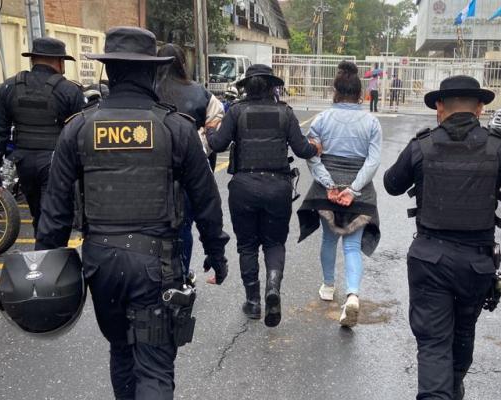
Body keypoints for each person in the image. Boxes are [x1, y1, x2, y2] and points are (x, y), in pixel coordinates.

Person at [34, 27, 230, 400]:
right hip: (156, 267)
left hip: (100, 264)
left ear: (109, 72)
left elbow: (55, 209)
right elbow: (206, 200)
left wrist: (43, 269)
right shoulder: (176, 128)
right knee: (154, 367)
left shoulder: (77, 128)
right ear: (152, 73)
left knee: (121, 351)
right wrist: (216, 254)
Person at [383, 75, 501, 400]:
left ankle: (443, 392)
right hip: (476, 264)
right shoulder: (500, 147)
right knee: (463, 333)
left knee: (434, 343)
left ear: (439, 107)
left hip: (428, 260)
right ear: (480, 108)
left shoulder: (421, 145)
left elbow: (391, 184)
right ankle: (453, 387)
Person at [207, 64, 320, 328]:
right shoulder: (285, 113)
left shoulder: (235, 112)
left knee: (247, 245)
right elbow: (303, 149)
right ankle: (273, 287)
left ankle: (254, 302)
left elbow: (218, 144)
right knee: (274, 243)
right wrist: (316, 147)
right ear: (272, 87)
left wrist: (211, 129)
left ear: (246, 86)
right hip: (277, 187)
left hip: (244, 186)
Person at [297, 61, 382, 327]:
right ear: (361, 94)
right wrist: (354, 188)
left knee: (328, 239)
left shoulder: (322, 119)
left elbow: (312, 156)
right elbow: (373, 161)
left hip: (327, 192)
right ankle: (353, 294)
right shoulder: (371, 122)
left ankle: (327, 286)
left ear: (335, 91)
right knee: (353, 245)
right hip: (359, 194)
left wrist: (329, 184)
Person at [0, 37, 84, 236]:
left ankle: (42, 254)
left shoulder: (10, 87)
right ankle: (50, 260)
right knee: (55, 217)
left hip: (24, 163)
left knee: (39, 215)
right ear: (59, 62)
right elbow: (80, 136)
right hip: (57, 164)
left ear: (33, 60)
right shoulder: (69, 90)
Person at [156, 43, 225, 273]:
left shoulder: (147, 90)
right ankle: (181, 275)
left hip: (152, 174)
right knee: (184, 227)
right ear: (183, 64)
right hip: (190, 175)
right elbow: (216, 125)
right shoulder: (200, 92)